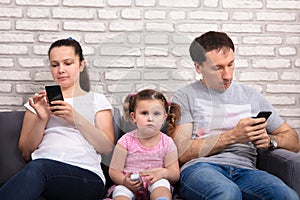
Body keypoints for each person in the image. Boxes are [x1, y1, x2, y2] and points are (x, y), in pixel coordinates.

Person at [172, 31, 300, 200]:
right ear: (198, 67)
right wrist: (233, 136)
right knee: (227, 193)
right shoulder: (185, 96)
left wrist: (271, 141)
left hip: (246, 170)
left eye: (230, 64)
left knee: (287, 196)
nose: (227, 75)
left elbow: (293, 140)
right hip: (201, 168)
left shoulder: (251, 96)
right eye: (218, 68)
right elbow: (180, 152)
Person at [0, 38, 115, 200]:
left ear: (81, 65)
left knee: (38, 169)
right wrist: (42, 118)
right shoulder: (38, 102)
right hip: (39, 175)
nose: (61, 70)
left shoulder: (96, 100)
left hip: (85, 177)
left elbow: (107, 147)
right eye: (55, 65)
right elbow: (26, 152)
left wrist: (76, 119)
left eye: (68, 63)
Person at [108, 89, 181, 200]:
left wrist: (163, 173)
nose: (150, 118)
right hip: (130, 185)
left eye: (156, 114)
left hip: (155, 182)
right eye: (144, 113)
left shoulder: (167, 142)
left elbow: (175, 174)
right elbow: (114, 170)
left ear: (164, 118)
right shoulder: (125, 141)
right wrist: (124, 181)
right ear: (134, 117)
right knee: (120, 192)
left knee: (162, 186)